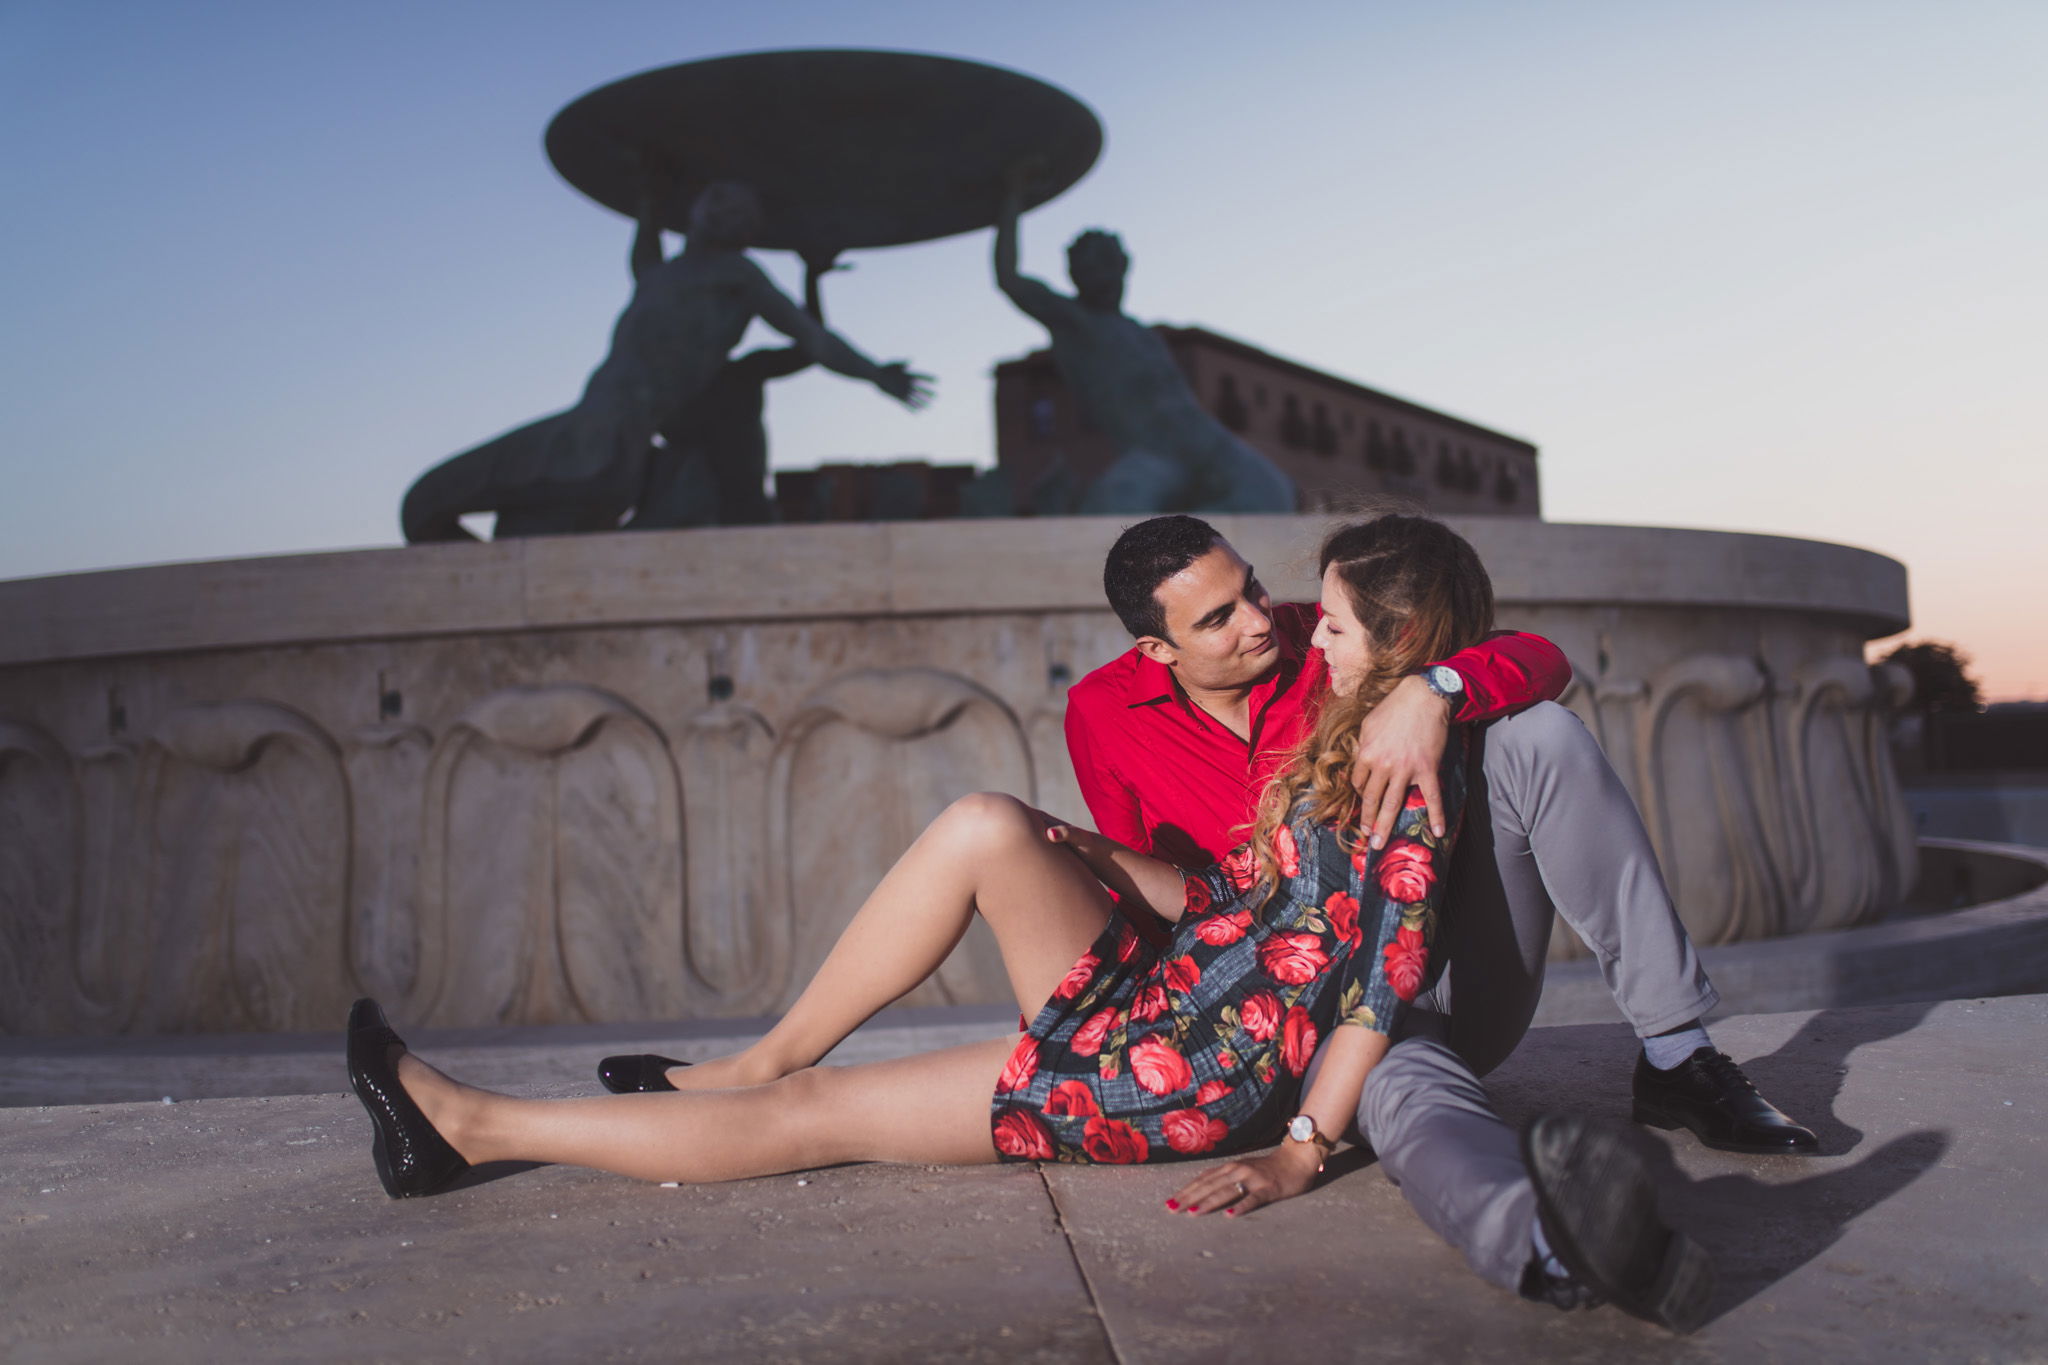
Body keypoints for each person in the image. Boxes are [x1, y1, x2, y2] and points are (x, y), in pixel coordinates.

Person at [348, 516, 1711, 1332]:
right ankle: (489, 1120)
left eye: (1325, 618)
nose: (1293, 626)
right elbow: (1256, 911)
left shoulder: (1404, 775)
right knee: (872, 1015)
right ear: (1153, 644)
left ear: (1390, 648)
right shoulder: (1313, 737)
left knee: (821, 1120)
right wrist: (1098, 859)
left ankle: (473, 1125)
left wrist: (1301, 1148)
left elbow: (1373, 984)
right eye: (1246, 611)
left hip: (1197, 1067)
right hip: (1182, 1019)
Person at [1061, 513, 1812, 1304]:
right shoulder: (1101, 715)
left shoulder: (1321, 631)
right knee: (1407, 1092)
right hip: (1308, 1020)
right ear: (1157, 648)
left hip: (1447, 951)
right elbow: (1155, 904)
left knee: (1540, 734)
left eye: (1252, 587)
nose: (1259, 620)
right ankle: (1554, 1244)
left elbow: (1540, 657)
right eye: (1219, 617)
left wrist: (1435, 686)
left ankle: (1677, 1054)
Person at [401, 174, 929, 542]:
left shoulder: (736, 276)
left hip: (604, 443)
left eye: (740, 209)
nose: (724, 209)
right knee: (509, 535)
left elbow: (813, 341)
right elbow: (644, 250)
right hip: (586, 436)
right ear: (694, 208)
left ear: (748, 231)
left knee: (425, 504)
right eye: (717, 197)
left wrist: (876, 373)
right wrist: (649, 193)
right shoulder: (658, 275)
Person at [992, 167, 1295, 514]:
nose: (1103, 275)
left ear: (1124, 267)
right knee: (1115, 511)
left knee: (1273, 492)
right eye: (1091, 268)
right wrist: (1012, 199)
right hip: (1153, 454)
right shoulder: (1077, 323)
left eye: (1109, 265)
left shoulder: (1143, 334)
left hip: (1206, 442)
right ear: (1076, 276)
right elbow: (1009, 278)